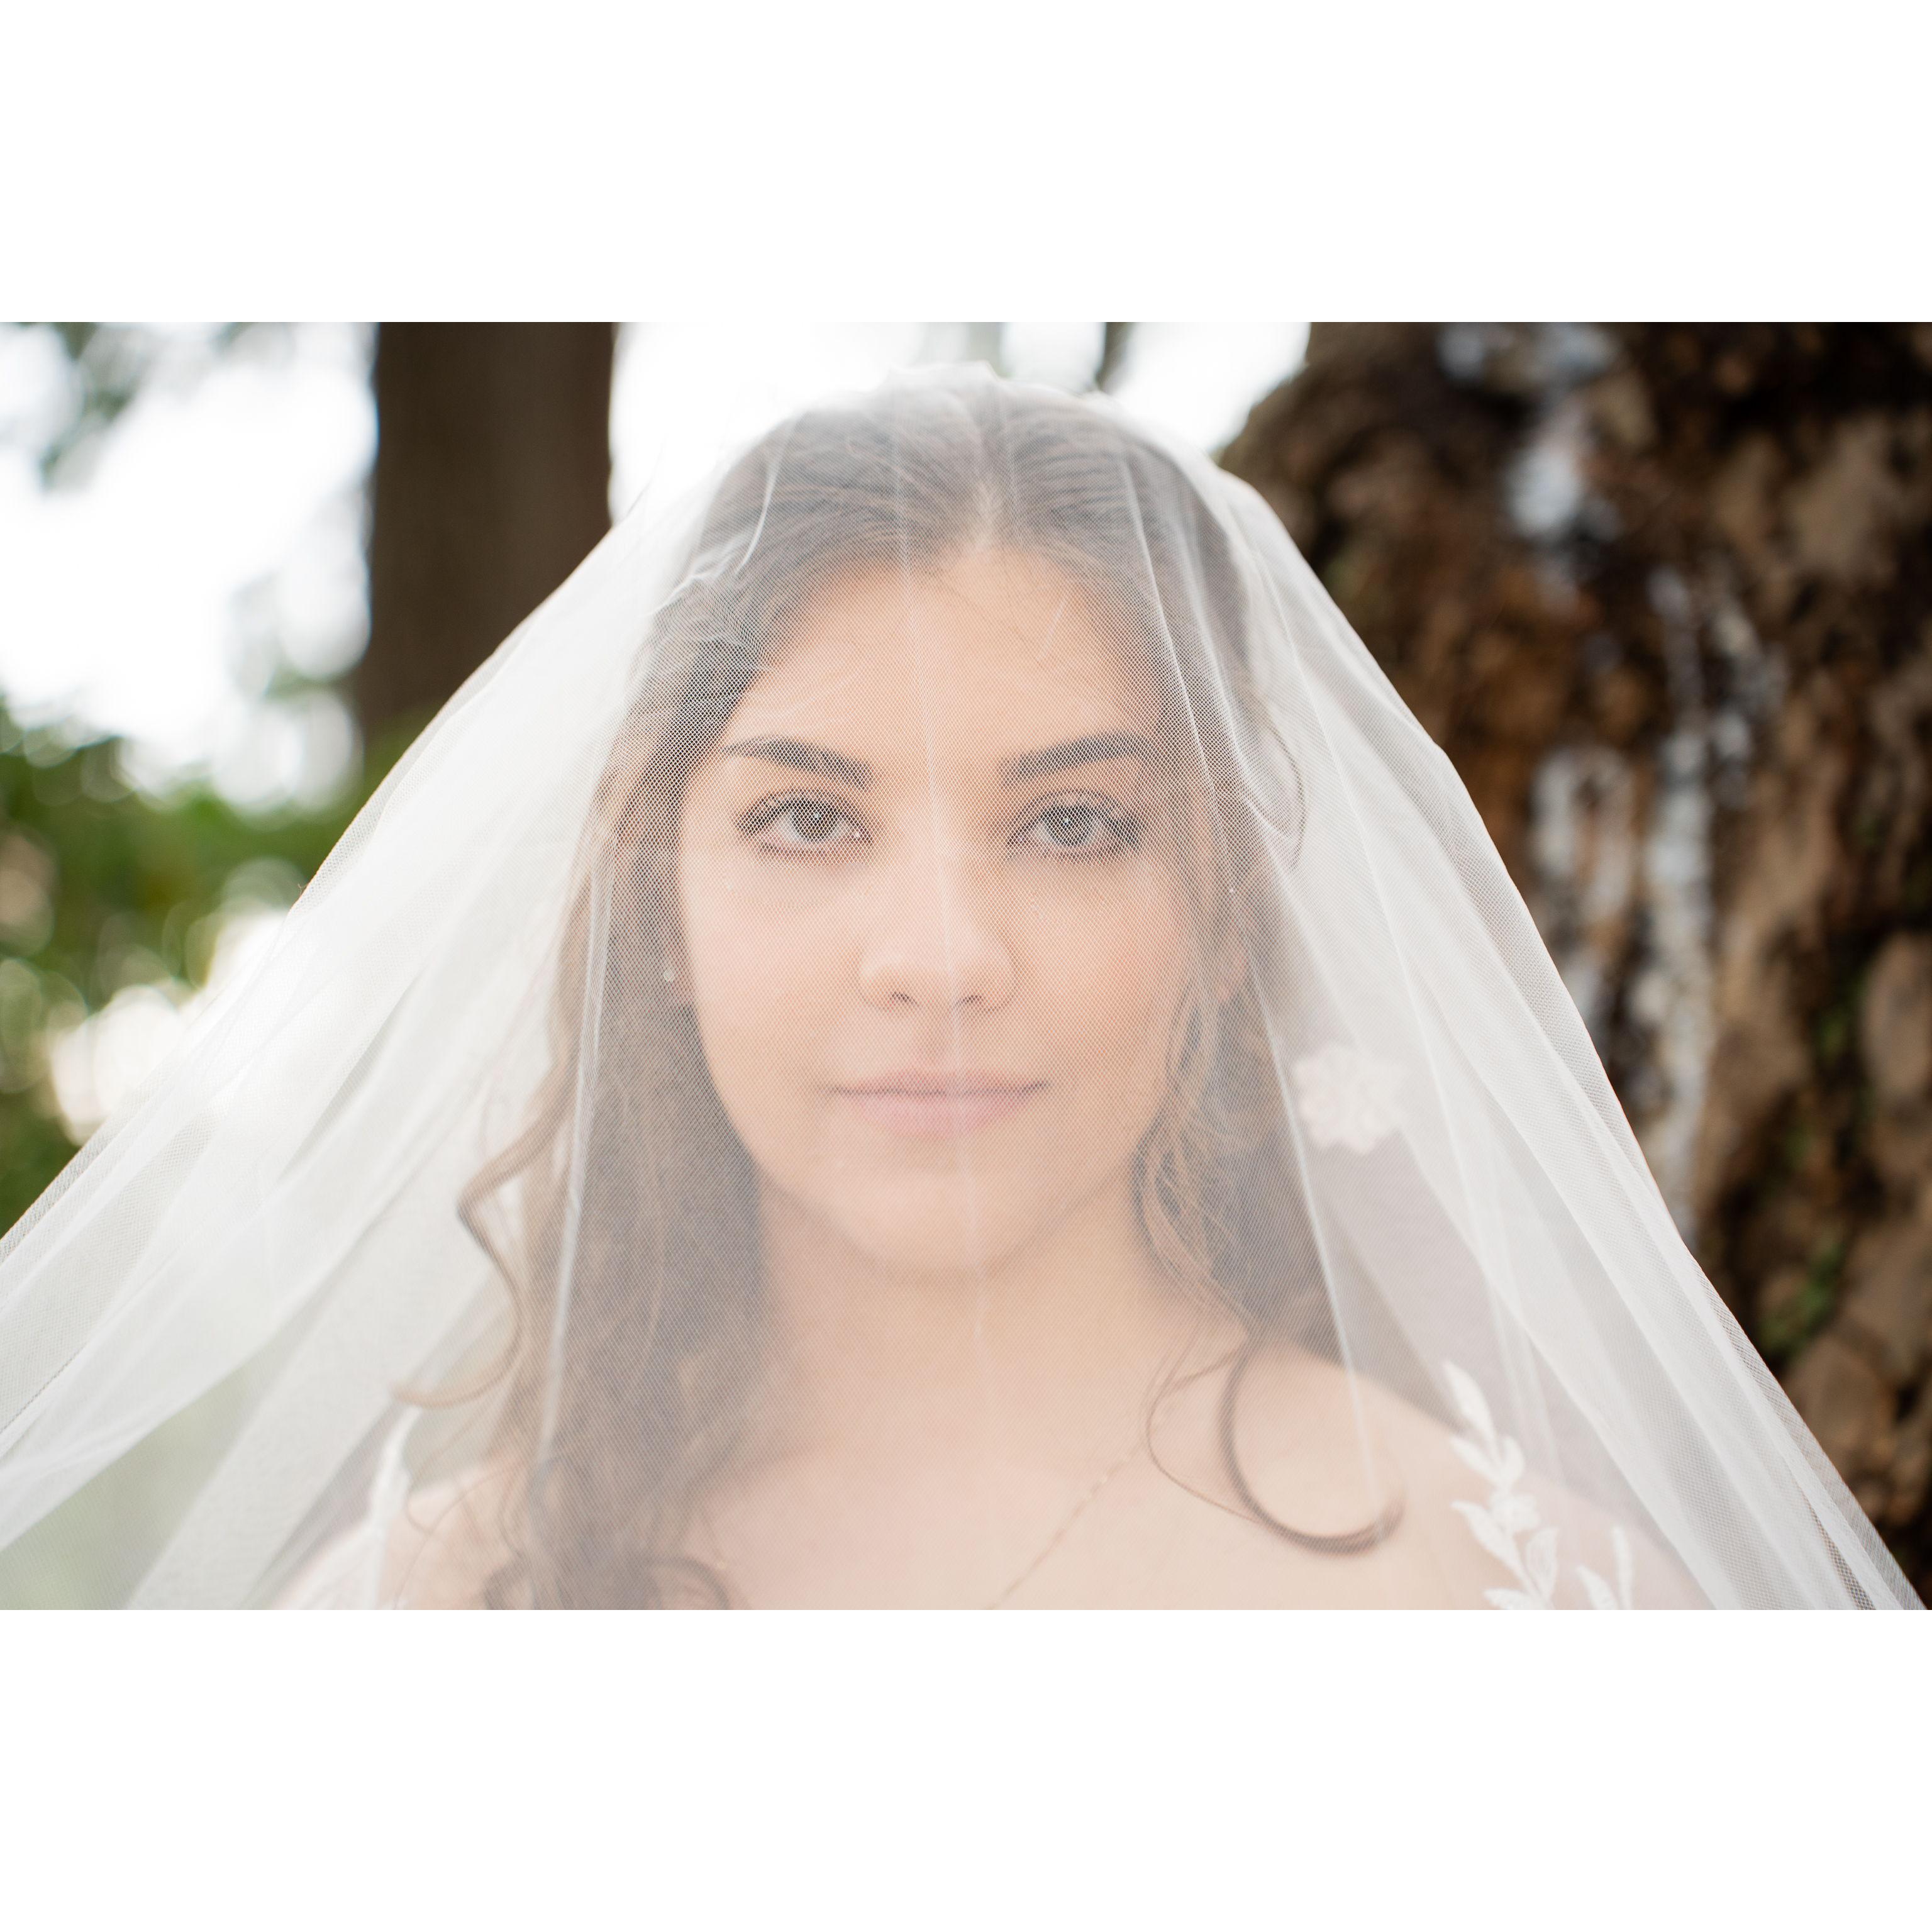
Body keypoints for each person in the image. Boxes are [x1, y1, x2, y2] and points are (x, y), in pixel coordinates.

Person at [0, 366, 1916, 1610]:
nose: (940, 960)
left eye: (1074, 824)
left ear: (1223, 913)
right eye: (808, 819)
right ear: (656, 899)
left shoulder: (1518, 1594)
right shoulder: (426, 1615)